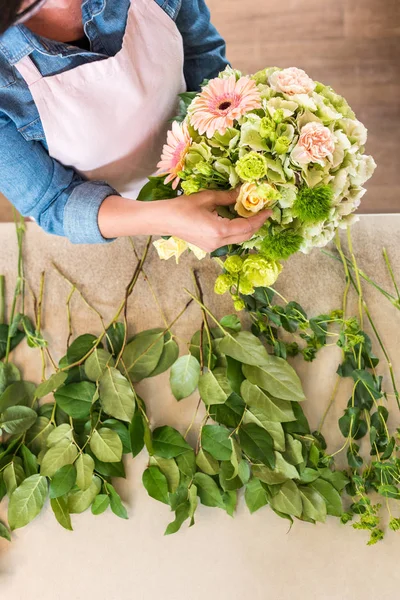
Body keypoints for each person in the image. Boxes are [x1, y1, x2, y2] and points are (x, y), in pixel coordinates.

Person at [0, 0, 269, 251]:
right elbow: (53, 202)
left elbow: (203, 57)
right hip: (115, 220)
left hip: (205, 172)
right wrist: (166, 218)